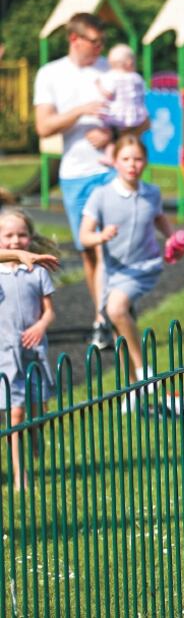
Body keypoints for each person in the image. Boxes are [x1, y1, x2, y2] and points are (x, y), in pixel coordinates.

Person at [33, 12, 115, 349]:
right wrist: (82, 110)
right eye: (94, 42)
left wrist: (111, 130)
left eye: (102, 42)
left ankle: (106, 317)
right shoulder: (50, 73)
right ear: (75, 39)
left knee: (110, 245)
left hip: (109, 169)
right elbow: (44, 127)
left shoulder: (110, 68)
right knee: (89, 251)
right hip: (75, 174)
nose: (100, 48)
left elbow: (137, 120)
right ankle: (104, 314)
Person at [79, 135, 182, 385]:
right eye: (125, 159)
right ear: (115, 162)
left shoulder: (151, 193)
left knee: (116, 310)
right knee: (119, 327)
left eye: (137, 159)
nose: (132, 164)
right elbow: (84, 236)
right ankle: (132, 390)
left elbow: (158, 217)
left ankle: (142, 369)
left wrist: (171, 237)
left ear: (145, 162)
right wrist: (100, 236)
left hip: (142, 267)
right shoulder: (101, 195)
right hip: (113, 270)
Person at [0, 209, 58, 491]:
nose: (15, 240)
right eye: (8, 235)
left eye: (21, 234)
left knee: (39, 410)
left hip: (34, 351)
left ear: (31, 237)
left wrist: (40, 326)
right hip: (5, 354)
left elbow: (49, 312)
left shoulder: (37, 272)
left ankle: (36, 435)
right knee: (16, 413)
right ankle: (19, 475)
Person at [95, 44, 149, 166]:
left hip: (118, 116)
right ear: (130, 63)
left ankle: (110, 156)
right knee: (131, 140)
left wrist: (98, 85)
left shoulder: (113, 77)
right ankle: (134, 159)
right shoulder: (137, 78)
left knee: (112, 138)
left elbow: (108, 93)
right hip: (136, 116)